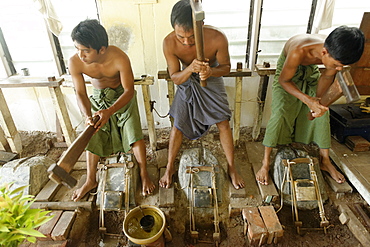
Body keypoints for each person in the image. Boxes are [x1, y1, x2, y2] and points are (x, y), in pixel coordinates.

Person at [256, 26, 365, 185]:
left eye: (342, 66)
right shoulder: (298, 51)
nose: (339, 69)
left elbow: (327, 76)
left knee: (323, 113)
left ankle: (325, 161)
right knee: (280, 113)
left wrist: (317, 102)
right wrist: (307, 100)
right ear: (324, 53)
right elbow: (284, 81)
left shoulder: (332, 52)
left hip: (310, 69)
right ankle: (265, 163)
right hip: (287, 72)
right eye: (337, 65)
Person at [159, 0, 245, 190]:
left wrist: (210, 72)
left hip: (211, 77)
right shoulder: (169, 43)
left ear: (200, 26)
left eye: (191, 37)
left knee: (223, 122)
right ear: (173, 28)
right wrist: (190, 68)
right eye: (181, 36)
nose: (187, 42)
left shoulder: (217, 38)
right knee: (178, 124)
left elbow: (226, 68)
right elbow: (175, 78)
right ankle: (169, 168)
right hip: (187, 79)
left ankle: (232, 168)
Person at [69, 19, 155, 201]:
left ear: (101, 49)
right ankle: (90, 180)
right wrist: (88, 116)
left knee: (133, 133)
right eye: (78, 48)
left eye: (86, 50)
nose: (80, 54)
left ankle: (144, 174)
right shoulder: (75, 62)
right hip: (98, 97)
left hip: (121, 97)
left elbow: (129, 90)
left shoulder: (119, 58)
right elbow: (80, 92)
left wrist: (110, 111)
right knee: (92, 133)